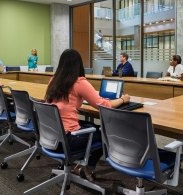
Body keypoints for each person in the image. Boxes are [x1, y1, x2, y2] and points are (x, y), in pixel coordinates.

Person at [45, 49, 130, 181]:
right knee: (106, 134)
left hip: (51, 137)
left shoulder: (53, 80)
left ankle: (78, 164)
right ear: (78, 64)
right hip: (68, 140)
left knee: (91, 125)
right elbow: (103, 106)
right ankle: (87, 169)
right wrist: (123, 100)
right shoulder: (79, 82)